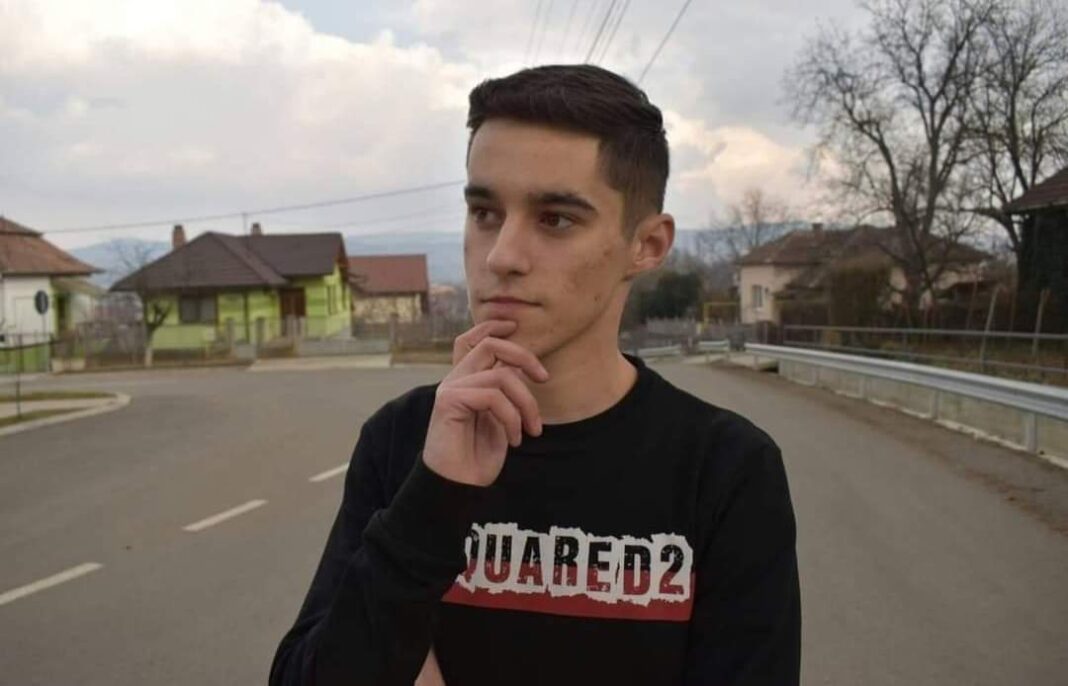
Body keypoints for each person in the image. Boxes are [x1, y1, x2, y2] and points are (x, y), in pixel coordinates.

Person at [268, 64, 800, 686]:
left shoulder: (725, 470)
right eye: (484, 212)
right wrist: (432, 501)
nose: (502, 256)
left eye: (555, 219)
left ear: (647, 245)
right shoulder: (404, 440)